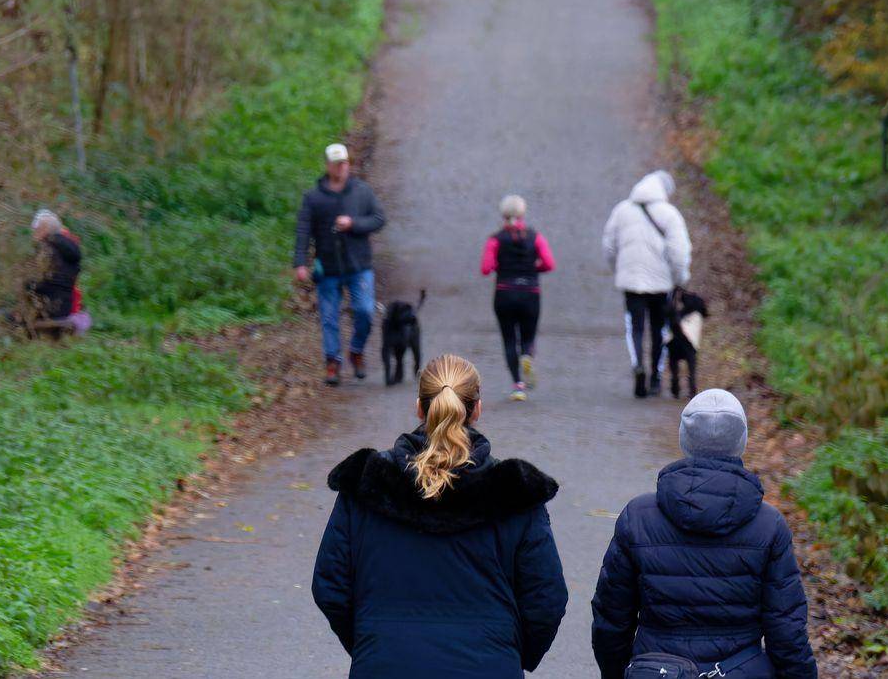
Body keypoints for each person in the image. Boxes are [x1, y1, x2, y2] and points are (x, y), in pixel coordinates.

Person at [313, 355, 568, 678]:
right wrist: (510, 651)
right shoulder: (515, 492)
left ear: (419, 407)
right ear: (477, 409)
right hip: (488, 666)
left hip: (385, 663)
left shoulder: (367, 483)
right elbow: (546, 598)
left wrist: (372, 641)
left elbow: (331, 585)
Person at [591, 389, 818, 679]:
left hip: (657, 670)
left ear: (684, 440)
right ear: (741, 442)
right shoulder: (769, 525)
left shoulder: (638, 517)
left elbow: (612, 618)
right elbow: (786, 630)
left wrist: (616, 672)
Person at [294, 142, 387, 386]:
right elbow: (303, 230)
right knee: (329, 317)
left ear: (349, 164)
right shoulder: (313, 198)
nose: (341, 167)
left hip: (359, 265)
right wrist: (300, 262)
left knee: (365, 311)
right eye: (336, 164)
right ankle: (332, 361)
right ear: (328, 166)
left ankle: (356, 350)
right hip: (328, 267)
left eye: (344, 163)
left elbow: (379, 219)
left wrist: (354, 223)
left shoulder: (362, 191)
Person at [601, 170, 692, 398]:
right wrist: (680, 279)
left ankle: (638, 365)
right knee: (659, 329)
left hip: (631, 282)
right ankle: (655, 377)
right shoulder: (670, 214)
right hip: (661, 284)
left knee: (635, 326)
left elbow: (609, 246)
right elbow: (679, 252)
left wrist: (619, 269)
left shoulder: (622, 210)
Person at [480, 194, 556, 401]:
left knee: (509, 339)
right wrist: (533, 269)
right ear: (523, 213)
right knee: (528, 336)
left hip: (504, 292)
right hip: (530, 292)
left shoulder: (495, 239)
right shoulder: (535, 237)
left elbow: (486, 268)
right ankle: (527, 356)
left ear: (503, 214)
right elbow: (549, 264)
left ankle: (517, 386)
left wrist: (501, 266)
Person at [18, 208, 85, 339]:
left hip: (48, 310)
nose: (33, 234)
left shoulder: (47, 250)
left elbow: (38, 284)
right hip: (65, 308)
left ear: (44, 230)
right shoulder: (70, 248)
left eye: (36, 230)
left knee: (6, 317)